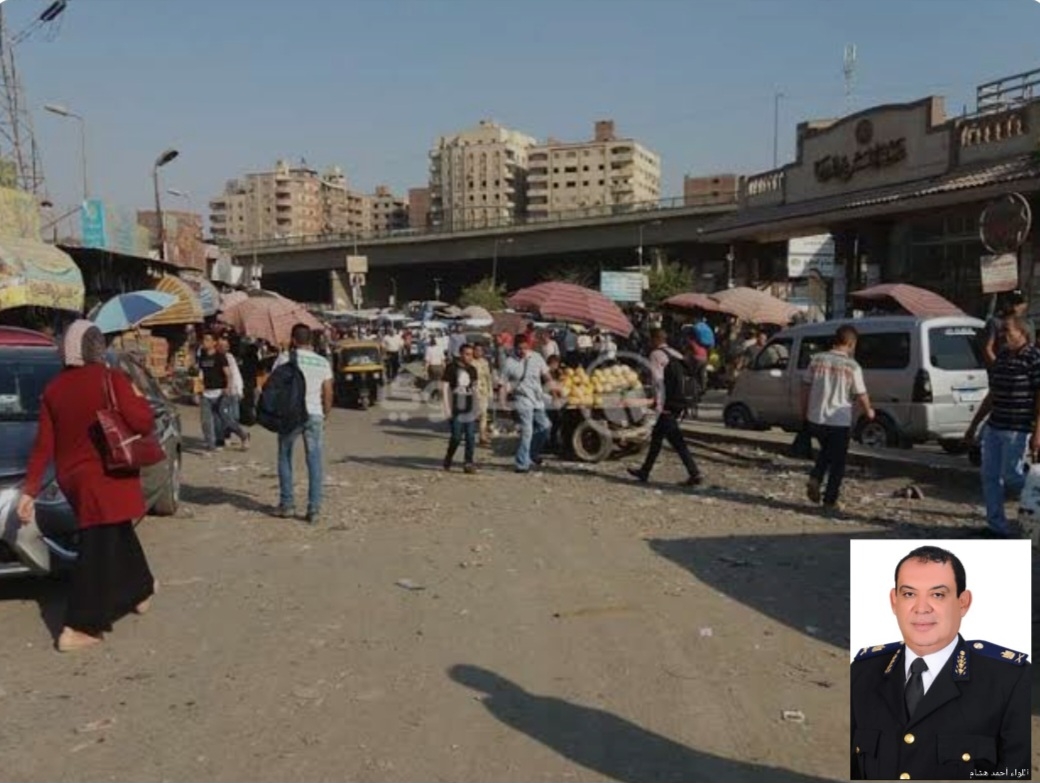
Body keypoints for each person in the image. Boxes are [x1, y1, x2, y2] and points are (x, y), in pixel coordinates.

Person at [17, 320, 156, 652]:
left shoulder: (53, 390)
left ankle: (141, 589)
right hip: (108, 477)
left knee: (118, 533)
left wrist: (30, 490)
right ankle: (81, 625)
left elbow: (43, 447)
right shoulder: (111, 378)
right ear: (97, 347)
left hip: (73, 481)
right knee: (95, 550)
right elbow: (142, 422)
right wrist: (137, 395)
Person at [850, 545, 1029, 780]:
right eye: (909, 594)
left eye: (938, 595)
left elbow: (1016, 773)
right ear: (894, 602)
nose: (921, 609)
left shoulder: (1008, 680)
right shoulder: (862, 673)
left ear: (963, 602)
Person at [965, 314, 1040, 537]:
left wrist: (1038, 433)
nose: (1003, 334)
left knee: (1013, 476)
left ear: (1022, 333)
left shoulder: (1034, 358)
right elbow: (993, 394)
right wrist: (974, 426)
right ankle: (996, 525)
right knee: (990, 477)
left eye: (1008, 330)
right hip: (995, 425)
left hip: (1018, 428)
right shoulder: (1003, 357)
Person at [801, 324, 874, 513]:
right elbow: (861, 393)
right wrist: (869, 411)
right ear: (851, 343)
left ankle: (815, 478)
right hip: (839, 420)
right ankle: (830, 500)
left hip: (816, 418)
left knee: (826, 451)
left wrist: (804, 412)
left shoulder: (816, 360)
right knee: (838, 462)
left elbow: (805, 387)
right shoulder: (852, 366)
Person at [273, 324, 333, 524]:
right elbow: (328, 392)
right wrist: (325, 413)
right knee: (314, 461)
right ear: (311, 340)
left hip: (291, 415)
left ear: (293, 339)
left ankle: (287, 504)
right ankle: (314, 509)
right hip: (315, 414)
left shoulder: (285, 358)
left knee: (285, 456)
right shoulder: (322, 362)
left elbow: (274, 385)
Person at [627, 329, 702, 486]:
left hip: (668, 402)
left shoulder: (656, 355)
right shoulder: (675, 353)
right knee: (657, 437)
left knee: (676, 440)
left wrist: (658, 404)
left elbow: (658, 381)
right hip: (680, 401)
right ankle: (645, 471)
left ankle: (695, 473)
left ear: (654, 339)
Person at [500, 333, 555, 473]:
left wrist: (554, 390)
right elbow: (502, 384)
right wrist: (503, 403)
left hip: (537, 398)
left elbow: (546, 375)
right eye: (519, 348)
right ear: (515, 348)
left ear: (528, 346)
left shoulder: (536, 357)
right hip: (522, 399)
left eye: (524, 348)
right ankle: (522, 463)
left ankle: (531, 454)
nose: (522, 351)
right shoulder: (509, 362)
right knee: (527, 431)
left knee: (545, 427)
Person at [197, 332, 249, 453]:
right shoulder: (202, 357)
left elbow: (228, 374)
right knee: (206, 421)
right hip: (206, 393)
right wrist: (198, 390)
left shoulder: (220, 357)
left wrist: (228, 387)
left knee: (226, 419)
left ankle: (243, 435)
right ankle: (211, 446)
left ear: (214, 343)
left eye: (207, 340)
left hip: (220, 392)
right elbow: (200, 374)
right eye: (204, 340)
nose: (204, 342)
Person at [442, 343, 479, 474]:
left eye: (471, 354)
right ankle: (449, 457)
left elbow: (474, 389)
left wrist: (476, 407)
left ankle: (468, 462)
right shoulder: (451, 368)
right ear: (461, 353)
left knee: (470, 437)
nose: (469, 357)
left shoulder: (473, 370)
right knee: (456, 437)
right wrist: (447, 407)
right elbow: (445, 388)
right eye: (467, 354)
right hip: (456, 408)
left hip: (469, 409)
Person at [983, 290, 1034, 365]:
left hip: (1023, 365)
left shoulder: (1028, 323)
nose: (1015, 307)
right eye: (1012, 302)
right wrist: (999, 365)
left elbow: (1031, 345)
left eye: (1018, 303)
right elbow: (988, 348)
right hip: (1003, 364)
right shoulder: (996, 322)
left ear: (1024, 305)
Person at [217, 334, 247, 448]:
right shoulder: (215, 357)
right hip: (220, 391)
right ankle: (226, 437)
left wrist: (240, 389)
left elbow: (235, 374)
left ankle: (239, 435)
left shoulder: (230, 358)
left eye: (224, 346)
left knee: (233, 417)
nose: (222, 348)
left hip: (233, 391)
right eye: (220, 345)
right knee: (224, 415)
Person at [472, 342, 494, 446]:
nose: (478, 352)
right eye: (476, 350)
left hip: (483, 391)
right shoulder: (470, 362)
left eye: (480, 350)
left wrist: (490, 391)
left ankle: (482, 437)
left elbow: (488, 377)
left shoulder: (485, 362)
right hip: (472, 392)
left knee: (484, 415)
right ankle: (472, 435)